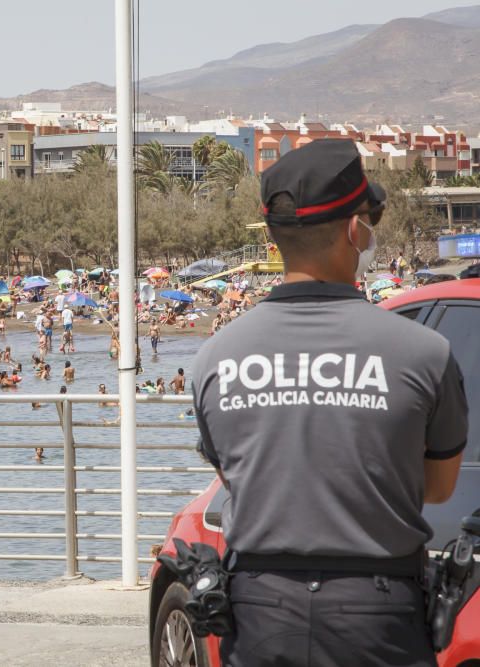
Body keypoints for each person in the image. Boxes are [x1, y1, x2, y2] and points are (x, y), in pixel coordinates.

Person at [191, 139, 468, 667]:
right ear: (353, 230)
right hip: (379, 613)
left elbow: (236, 477)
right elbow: (436, 487)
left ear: (272, 236)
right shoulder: (424, 353)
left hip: (258, 612)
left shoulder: (215, 358)